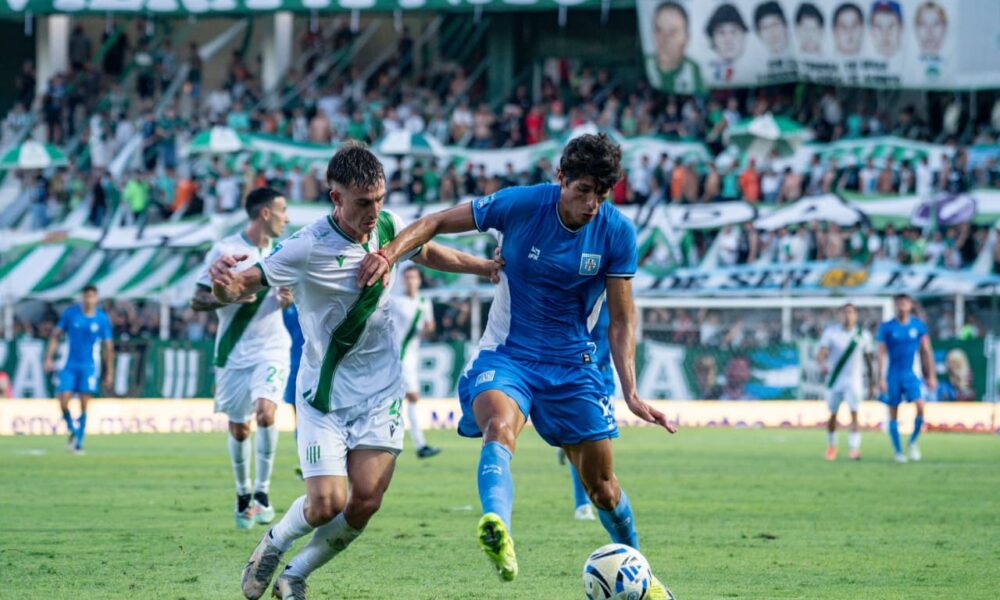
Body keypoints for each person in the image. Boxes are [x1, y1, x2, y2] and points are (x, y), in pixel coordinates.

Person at [355, 134, 675, 598]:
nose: (591, 204)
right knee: (499, 426)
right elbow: (435, 221)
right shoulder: (520, 204)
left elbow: (623, 319)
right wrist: (387, 255)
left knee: (603, 488)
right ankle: (497, 525)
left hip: (573, 365)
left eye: (601, 194)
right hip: (508, 355)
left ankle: (643, 578)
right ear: (561, 178)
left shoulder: (616, 232)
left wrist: (631, 390)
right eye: (583, 190)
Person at [212, 142, 499, 600]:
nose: (374, 211)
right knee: (325, 503)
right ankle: (274, 543)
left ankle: (295, 575)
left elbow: (426, 251)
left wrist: (484, 268)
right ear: (336, 197)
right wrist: (222, 285)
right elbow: (241, 285)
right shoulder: (305, 246)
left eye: (380, 199)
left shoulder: (387, 225)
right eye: (364, 202)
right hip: (324, 394)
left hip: (381, 391)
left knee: (365, 500)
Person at [191, 187, 293, 530]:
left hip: (272, 347)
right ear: (265, 213)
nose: (286, 218)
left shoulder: (283, 251)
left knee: (266, 412)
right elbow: (197, 300)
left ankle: (262, 492)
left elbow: (294, 294)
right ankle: (242, 493)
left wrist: (289, 299)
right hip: (233, 350)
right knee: (238, 428)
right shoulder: (225, 250)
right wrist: (227, 297)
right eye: (282, 210)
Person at [43, 285, 113, 455]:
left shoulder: (102, 319)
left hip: (89, 366)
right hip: (69, 364)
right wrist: (49, 357)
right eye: (87, 296)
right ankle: (73, 430)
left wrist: (109, 371)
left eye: (92, 296)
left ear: (96, 298)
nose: (89, 300)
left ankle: (78, 441)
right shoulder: (71, 314)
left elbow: (108, 346)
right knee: (63, 400)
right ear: (82, 297)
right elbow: (56, 335)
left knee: (84, 402)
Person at [876, 294, 937, 463]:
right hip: (893, 374)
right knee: (893, 411)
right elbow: (880, 353)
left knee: (920, 406)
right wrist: (880, 378)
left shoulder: (918, 326)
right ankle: (898, 451)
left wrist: (931, 375)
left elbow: (926, 351)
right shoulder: (887, 327)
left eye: (905, 302)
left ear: (910, 305)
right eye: (899, 303)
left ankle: (912, 442)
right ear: (895, 305)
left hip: (910, 373)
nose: (902, 305)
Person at [391, 265, 442, 459]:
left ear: (419, 280)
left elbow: (428, 329)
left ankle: (407, 443)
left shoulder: (424, 302)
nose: (410, 281)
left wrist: (428, 329)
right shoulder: (396, 302)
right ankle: (417, 444)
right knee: (411, 397)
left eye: (414, 277)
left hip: (413, 356)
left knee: (401, 398)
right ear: (402, 280)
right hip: (398, 356)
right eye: (407, 277)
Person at [816, 304, 875, 461]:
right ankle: (832, 446)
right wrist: (821, 364)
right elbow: (821, 353)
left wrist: (872, 383)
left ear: (856, 315)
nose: (847, 315)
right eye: (844, 312)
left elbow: (869, 361)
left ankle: (854, 448)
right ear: (839, 315)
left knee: (854, 413)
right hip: (835, 380)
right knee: (832, 414)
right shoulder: (831, 333)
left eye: (850, 312)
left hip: (854, 381)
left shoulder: (863, 336)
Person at [648, 1, 704, 94]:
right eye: (658, 30)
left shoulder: (693, 70)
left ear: (686, 38)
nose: (664, 39)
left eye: (672, 32)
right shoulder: (647, 64)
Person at [282, 303, 305, 479]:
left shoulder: (313, 300)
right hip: (294, 367)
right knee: (299, 419)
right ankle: (304, 461)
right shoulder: (285, 308)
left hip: (318, 367)